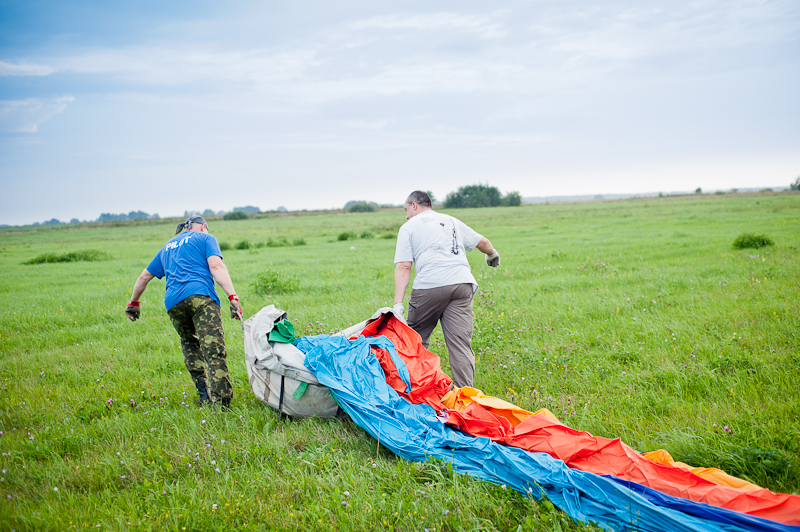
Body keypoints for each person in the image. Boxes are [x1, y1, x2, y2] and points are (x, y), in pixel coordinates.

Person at [124, 215, 244, 408]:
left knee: (190, 344)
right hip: (201, 297)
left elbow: (144, 277)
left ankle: (204, 395)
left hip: (174, 303)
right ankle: (222, 404)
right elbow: (216, 266)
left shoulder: (167, 246)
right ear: (203, 227)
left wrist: (134, 302)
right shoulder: (206, 238)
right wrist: (233, 297)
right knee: (213, 350)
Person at [393, 191, 500, 388]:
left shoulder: (409, 227)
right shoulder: (451, 220)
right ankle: (465, 395)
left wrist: (397, 304)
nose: (406, 216)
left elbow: (404, 267)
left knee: (416, 339)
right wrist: (492, 254)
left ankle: (417, 389)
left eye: (406, 210)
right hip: (462, 284)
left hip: (429, 286)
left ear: (414, 205)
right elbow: (483, 242)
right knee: (460, 344)